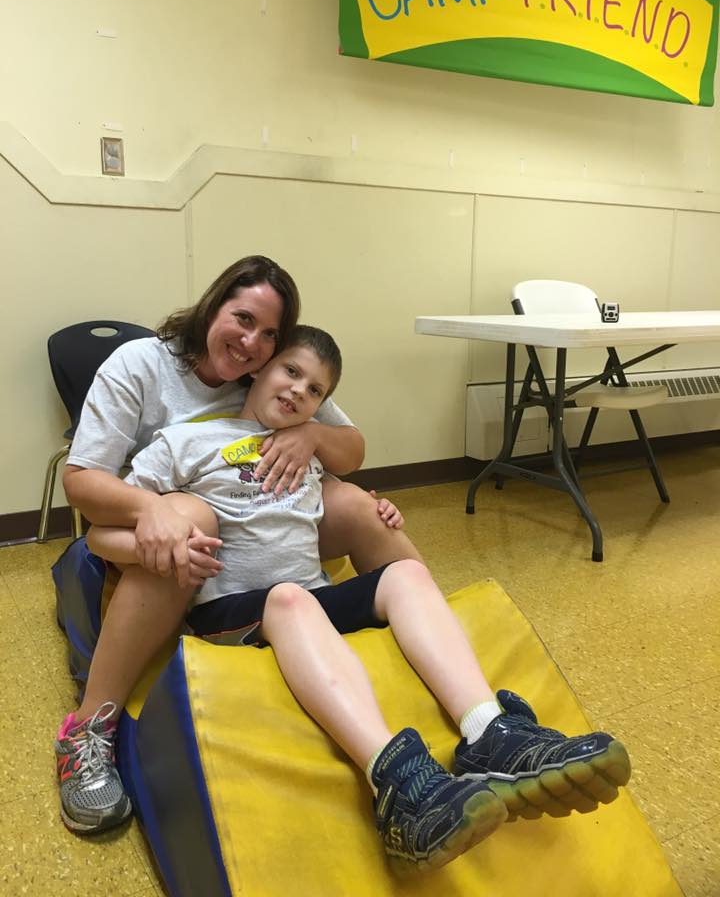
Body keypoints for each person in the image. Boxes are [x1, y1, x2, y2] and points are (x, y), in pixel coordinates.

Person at [76, 325, 632, 874]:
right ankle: (398, 784)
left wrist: (376, 508)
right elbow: (97, 533)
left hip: (309, 598)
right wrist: (157, 546)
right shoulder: (185, 442)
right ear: (259, 369)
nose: (298, 391)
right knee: (293, 599)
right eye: (290, 371)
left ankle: (491, 730)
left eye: (315, 389)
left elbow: (345, 482)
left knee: (406, 576)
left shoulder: (306, 445)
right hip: (232, 609)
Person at [55, 256, 416, 835]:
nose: (251, 343)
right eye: (242, 318)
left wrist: (312, 434)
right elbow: (82, 483)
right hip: (156, 534)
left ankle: (441, 653)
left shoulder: (274, 374)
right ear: (213, 306)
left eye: (269, 334)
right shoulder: (141, 365)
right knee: (191, 514)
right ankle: (88, 732)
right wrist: (153, 511)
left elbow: (351, 450)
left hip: (267, 525)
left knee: (352, 499)